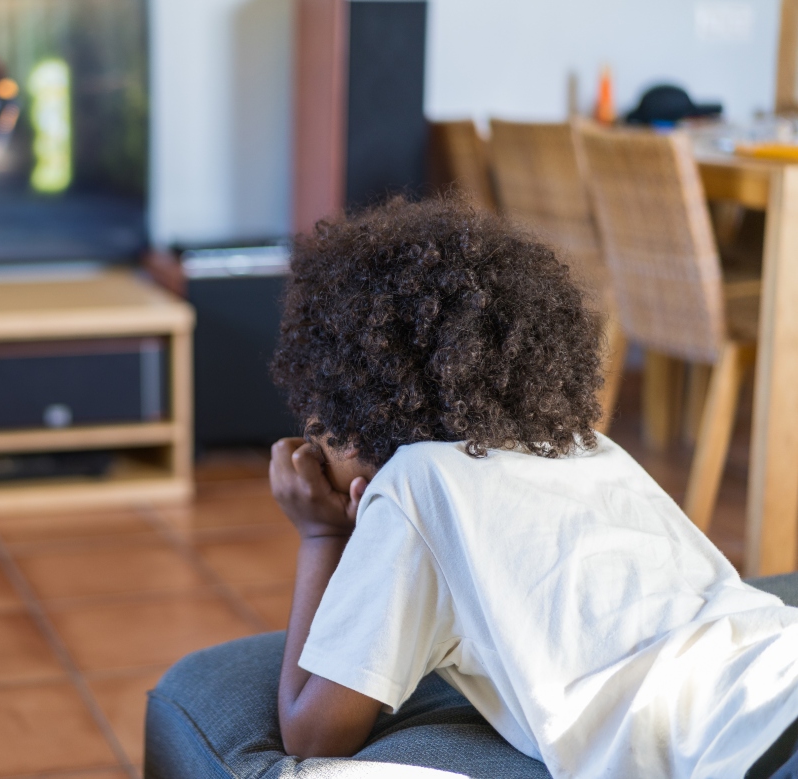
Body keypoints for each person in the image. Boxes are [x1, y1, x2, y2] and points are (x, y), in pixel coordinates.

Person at [267, 199, 798, 778]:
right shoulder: (586, 445)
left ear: (354, 422)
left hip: (746, 743)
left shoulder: (414, 484)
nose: (313, 448)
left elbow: (312, 732)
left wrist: (321, 534)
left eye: (318, 425)